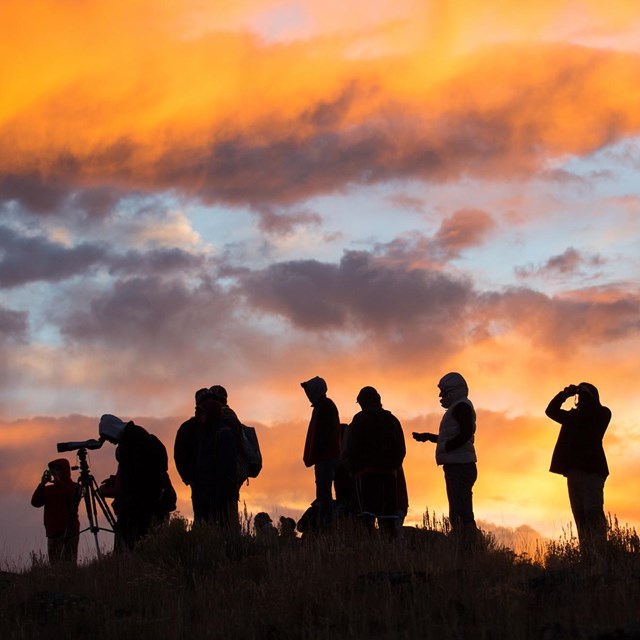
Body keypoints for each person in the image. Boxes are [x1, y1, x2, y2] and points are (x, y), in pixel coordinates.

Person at [545, 382, 611, 551]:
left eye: (583, 395)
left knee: (593, 512)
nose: (580, 397)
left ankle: (600, 553)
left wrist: (584, 391)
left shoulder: (602, 413)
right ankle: (588, 555)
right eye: (580, 395)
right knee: (580, 515)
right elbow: (550, 411)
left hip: (592, 472)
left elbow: (593, 412)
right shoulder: (572, 417)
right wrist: (565, 394)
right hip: (573, 472)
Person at [413, 372, 478, 536]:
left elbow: (465, 433)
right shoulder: (459, 406)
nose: (440, 395)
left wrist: (447, 447)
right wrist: (429, 437)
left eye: (443, 391)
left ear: (453, 391)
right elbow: (457, 435)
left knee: (461, 511)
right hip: (458, 465)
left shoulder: (461, 407)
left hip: (460, 466)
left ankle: (469, 546)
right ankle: (463, 543)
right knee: (458, 509)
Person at [99, 414, 171, 549]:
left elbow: (133, 477)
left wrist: (107, 491)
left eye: (109, 438)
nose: (111, 442)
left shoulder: (130, 442)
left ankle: (126, 562)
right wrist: (117, 480)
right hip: (148, 498)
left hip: (139, 503)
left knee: (129, 540)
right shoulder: (136, 435)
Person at [341, 386, 406, 535]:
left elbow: (350, 448)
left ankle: (368, 552)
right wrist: (394, 468)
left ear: (363, 402)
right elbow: (401, 450)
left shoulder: (359, 420)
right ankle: (389, 552)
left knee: (366, 520)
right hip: (390, 476)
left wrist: (352, 469)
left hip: (364, 476)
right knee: (388, 520)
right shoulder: (392, 420)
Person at [174, 389, 239, 527]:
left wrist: (191, 478)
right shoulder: (205, 429)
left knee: (218, 525)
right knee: (214, 524)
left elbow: (225, 467)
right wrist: (192, 478)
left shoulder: (220, 430)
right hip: (206, 488)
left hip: (217, 490)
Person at [300, 376, 341, 527]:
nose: (308, 395)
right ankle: (326, 523)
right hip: (324, 457)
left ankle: (326, 525)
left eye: (310, 391)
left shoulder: (325, 406)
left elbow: (325, 434)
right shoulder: (322, 406)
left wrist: (318, 452)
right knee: (323, 493)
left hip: (326, 458)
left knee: (324, 493)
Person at [31, 458, 80, 563]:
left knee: (69, 564)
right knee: (55, 568)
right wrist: (42, 484)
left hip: (69, 533)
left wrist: (58, 482)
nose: (55, 472)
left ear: (65, 470)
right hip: (52, 534)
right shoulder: (49, 489)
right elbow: (35, 502)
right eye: (53, 470)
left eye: (58, 469)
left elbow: (73, 498)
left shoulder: (75, 486)